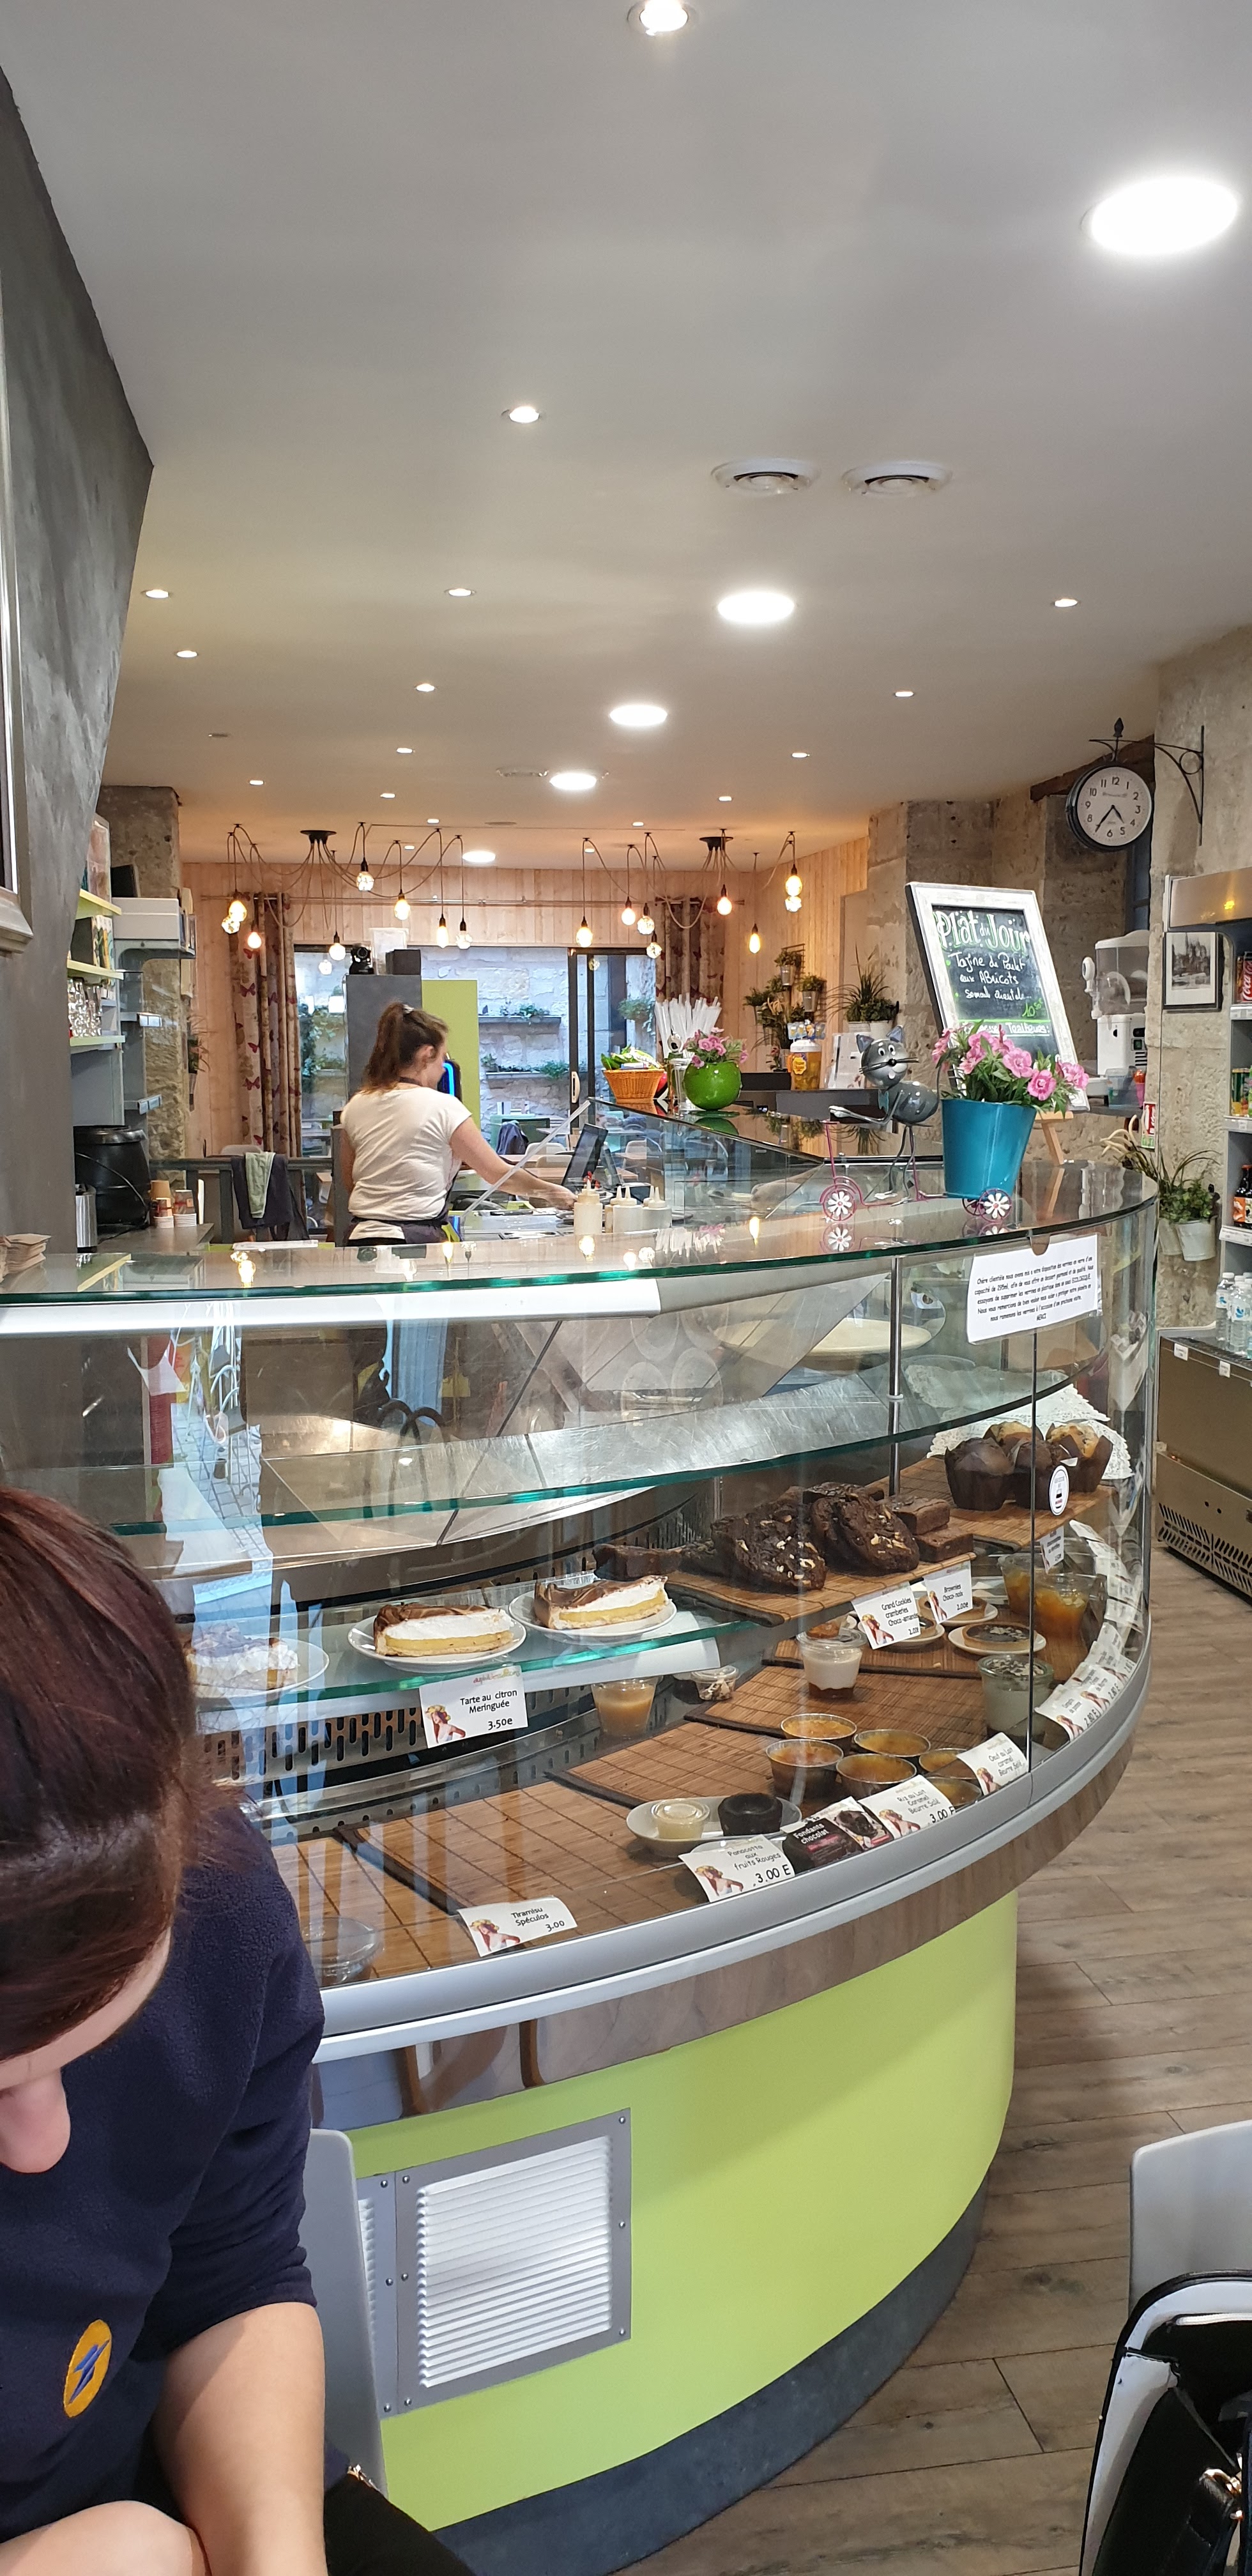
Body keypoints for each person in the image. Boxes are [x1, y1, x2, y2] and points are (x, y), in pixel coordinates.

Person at [0, 1490, 472, 2576]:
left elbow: (228, 2278)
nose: (44, 2143)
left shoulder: (215, 1911)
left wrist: (272, 2559)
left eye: (91, 2041)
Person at [339, 1002, 573, 1243]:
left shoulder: (357, 1104)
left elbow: (351, 1181)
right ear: (427, 1055)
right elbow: (499, 1174)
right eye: (443, 1059)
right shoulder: (443, 1107)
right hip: (413, 1243)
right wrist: (553, 1192)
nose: (443, 1070)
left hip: (360, 1238)